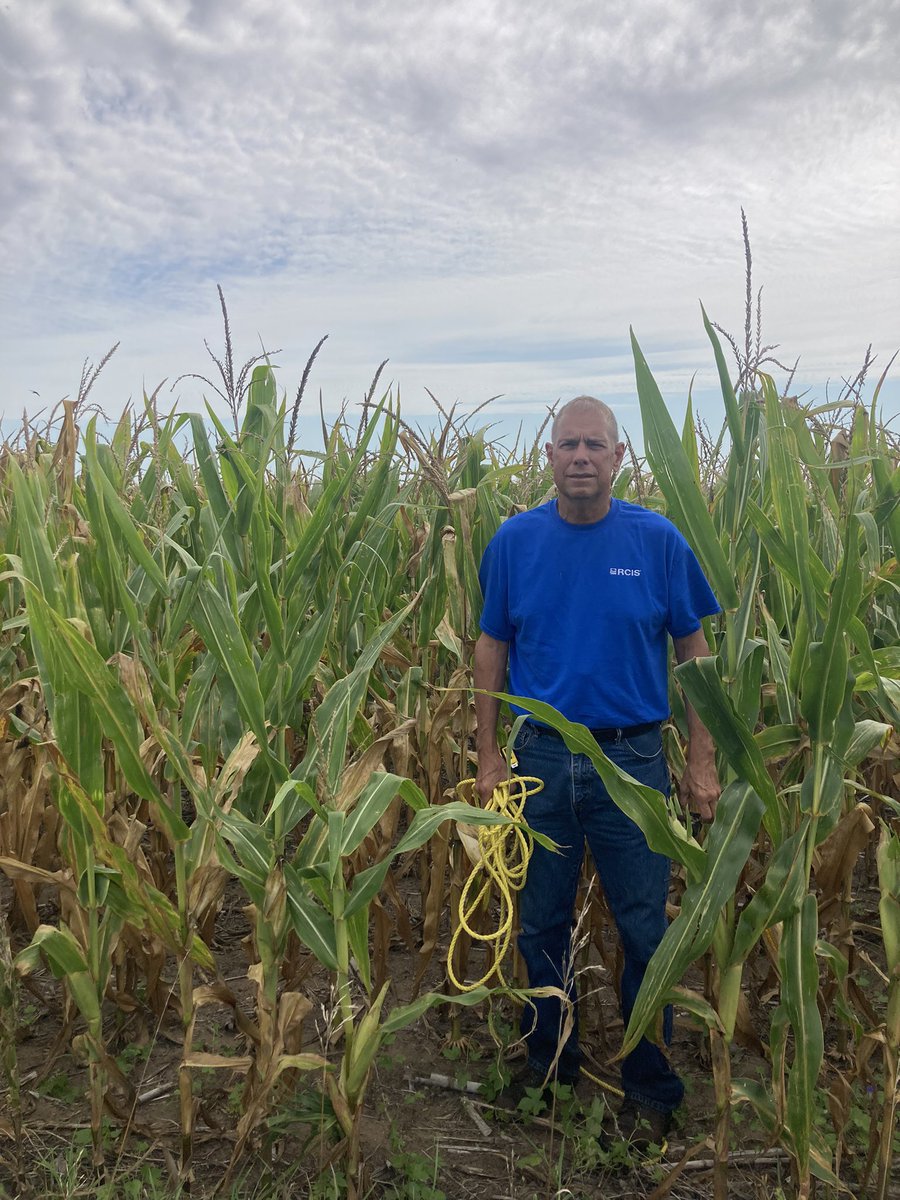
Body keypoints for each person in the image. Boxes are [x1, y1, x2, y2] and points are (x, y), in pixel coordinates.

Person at [473, 395, 721, 1145]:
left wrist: (701, 763)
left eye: (595, 445)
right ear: (548, 457)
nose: (581, 457)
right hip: (543, 759)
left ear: (619, 459)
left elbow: (696, 657)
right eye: (568, 444)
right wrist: (486, 754)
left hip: (633, 761)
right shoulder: (514, 542)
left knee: (646, 929)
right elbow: (491, 648)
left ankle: (650, 1088)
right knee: (540, 924)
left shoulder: (658, 540)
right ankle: (548, 1068)